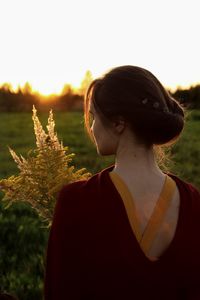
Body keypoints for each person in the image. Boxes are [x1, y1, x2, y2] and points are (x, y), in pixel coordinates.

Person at [44, 65, 200, 299]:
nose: (92, 127)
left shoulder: (75, 201)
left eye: (94, 117)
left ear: (118, 123)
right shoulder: (194, 201)